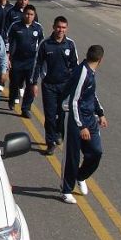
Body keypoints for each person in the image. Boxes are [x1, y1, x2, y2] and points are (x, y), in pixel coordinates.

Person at [61, 45, 108, 204]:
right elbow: (74, 101)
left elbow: (91, 95)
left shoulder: (90, 73)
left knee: (96, 152)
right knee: (72, 156)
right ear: (101, 60)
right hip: (76, 119)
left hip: (90, 118)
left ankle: (80, 176)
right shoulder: (82, 73)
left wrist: (100, 113)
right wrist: (81, 126)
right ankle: (66, 190)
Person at [30, 16, 79, 155]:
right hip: (49, 86)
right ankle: (50, 142)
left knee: (62, 114)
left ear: (67, 28)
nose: (60, 30)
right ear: (53, 27)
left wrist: (75, 85)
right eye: (58, 27)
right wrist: (34, 83)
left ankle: (59, 133)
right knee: (50, 115)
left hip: (65, 86)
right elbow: (37, 64)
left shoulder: (70, 44)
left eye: (63, 27)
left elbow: (75, 66)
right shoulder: (45, 44)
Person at [6, 5, 44, 117]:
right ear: (23, 14)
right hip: (17, 60)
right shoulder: (15, 26)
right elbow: (8, 40)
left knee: (31, 85)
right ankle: (12, 98)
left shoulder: (38, 28)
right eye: (27, 14)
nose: (29, 16)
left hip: (31, 62)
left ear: (34, 15)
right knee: (14, 83)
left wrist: (41, 60)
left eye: (31, 14)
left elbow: (42, 44)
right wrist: (8, 55)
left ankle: (26, 108)